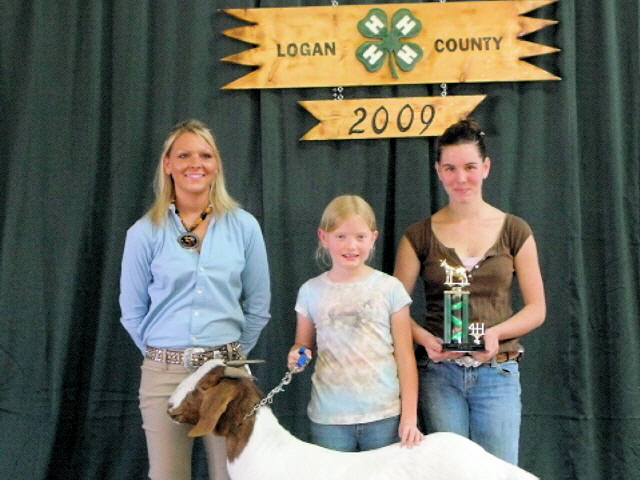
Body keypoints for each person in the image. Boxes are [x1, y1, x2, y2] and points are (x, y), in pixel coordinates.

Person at [119, 119, 271, 480]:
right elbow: (132, 312)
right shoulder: (144, 233)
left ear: (216, 165)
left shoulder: (244, 226)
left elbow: (259, 305)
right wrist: (166, 356)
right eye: (184, 155)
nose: (195, 164)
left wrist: (230, 357)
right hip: (163, 375)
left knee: (231, 473)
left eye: (205, 155)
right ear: (168, 164)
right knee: (168, 474)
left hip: (227, 373)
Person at [393, 118, 546, 465]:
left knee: (498, 471)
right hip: (440, 376)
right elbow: (395, 309)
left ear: (486, 167)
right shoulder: (417, 236)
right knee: (451, 471)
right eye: (450, 168)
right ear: (438, 171)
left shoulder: (515, 231)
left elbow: (537, 308)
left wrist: (496, 333)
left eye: (470, 167)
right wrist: (425, 339)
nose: (460, 178)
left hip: (498, 371)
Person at [287, 195, 422, 452]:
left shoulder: (390, 288)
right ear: (323, 237)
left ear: (373, 238)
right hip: (329, 418)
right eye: (341, 236)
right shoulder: (310, 291)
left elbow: (405, 356)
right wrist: (297, 355)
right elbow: (302, 345)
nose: (351, 246)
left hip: (383, 415)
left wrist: (409, 416)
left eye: (360, 237)